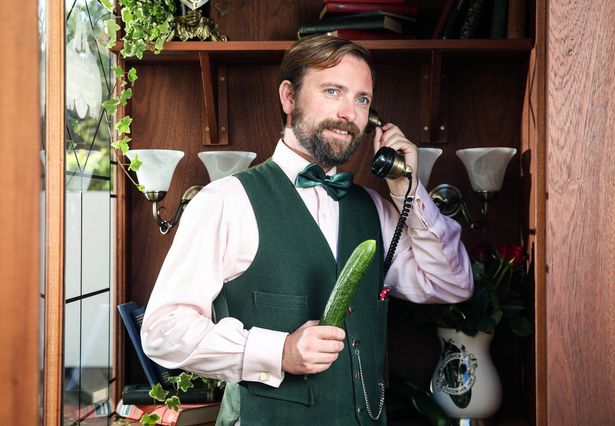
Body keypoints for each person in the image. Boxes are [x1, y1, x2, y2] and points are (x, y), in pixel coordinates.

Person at [141, 34, 473, 425]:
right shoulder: (225, 201)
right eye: (333, 91)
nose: (349, 113)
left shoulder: (377, 209)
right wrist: (278, 351)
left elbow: (452, 284)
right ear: (288, 97)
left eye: (362, 99)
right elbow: (162, 330)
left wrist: (407, 188)